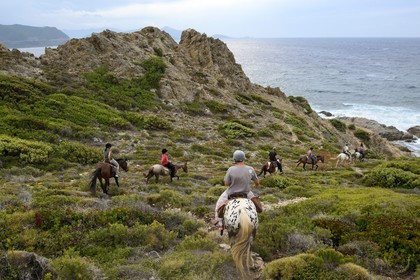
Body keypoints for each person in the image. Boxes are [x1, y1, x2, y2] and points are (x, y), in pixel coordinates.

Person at [214, 150, 260, 231]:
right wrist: (253, 185)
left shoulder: (231, 169)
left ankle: (219, 224)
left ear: (234, 159)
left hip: (231, 192)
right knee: (257, 205)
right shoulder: (250, 169)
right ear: (243, 158)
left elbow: (226, 184)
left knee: (219, 204)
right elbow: (257, 182)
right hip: (246, 192)